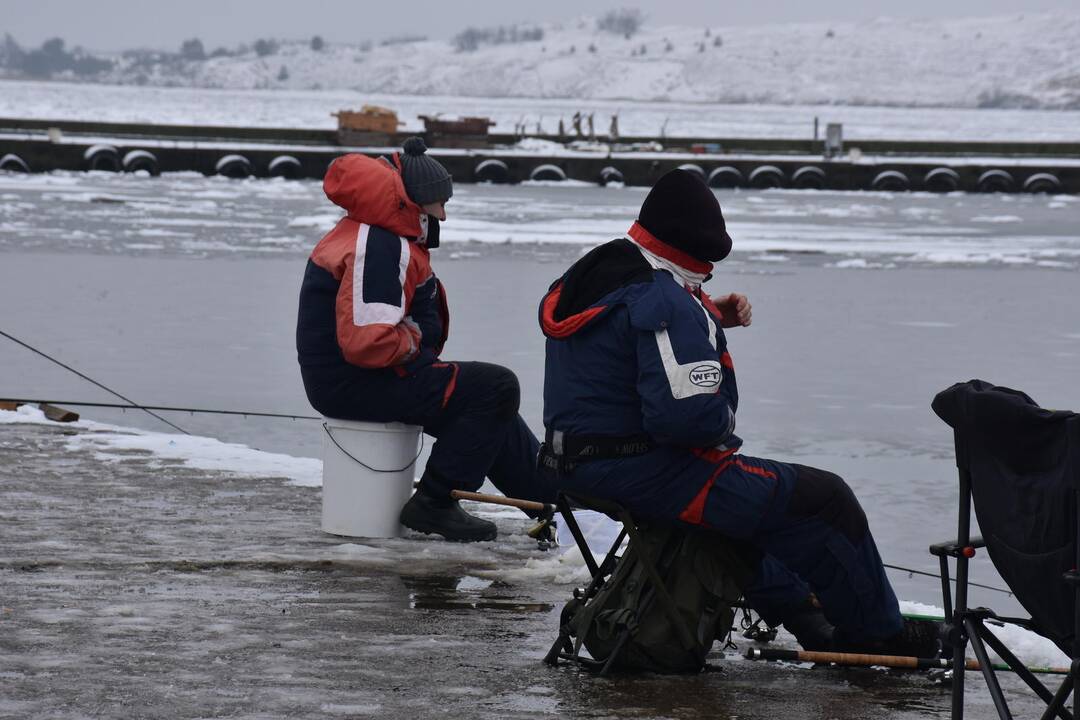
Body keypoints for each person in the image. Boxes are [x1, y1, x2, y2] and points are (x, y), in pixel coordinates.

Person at [537, 168, 937, 656]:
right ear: (703, 253)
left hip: (573, 463)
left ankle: (806, 616)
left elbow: (627, 338)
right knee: (826, 499)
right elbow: (687, 420)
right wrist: (723, 413)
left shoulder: (596, 271)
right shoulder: (666, 301)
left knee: (750, 505)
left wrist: (704, 310)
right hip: (637, 471)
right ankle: (878, 634)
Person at [296, 137, 548, 543]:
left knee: (491, 406)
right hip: (356, 383)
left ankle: (551, 501)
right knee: (496, 386)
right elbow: (368, 342)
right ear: (413, 201)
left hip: (362, 378)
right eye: (438, 203)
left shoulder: (372, 235)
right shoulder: (378, 246)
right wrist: (415, 337)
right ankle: (434, 502)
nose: (444, 215)